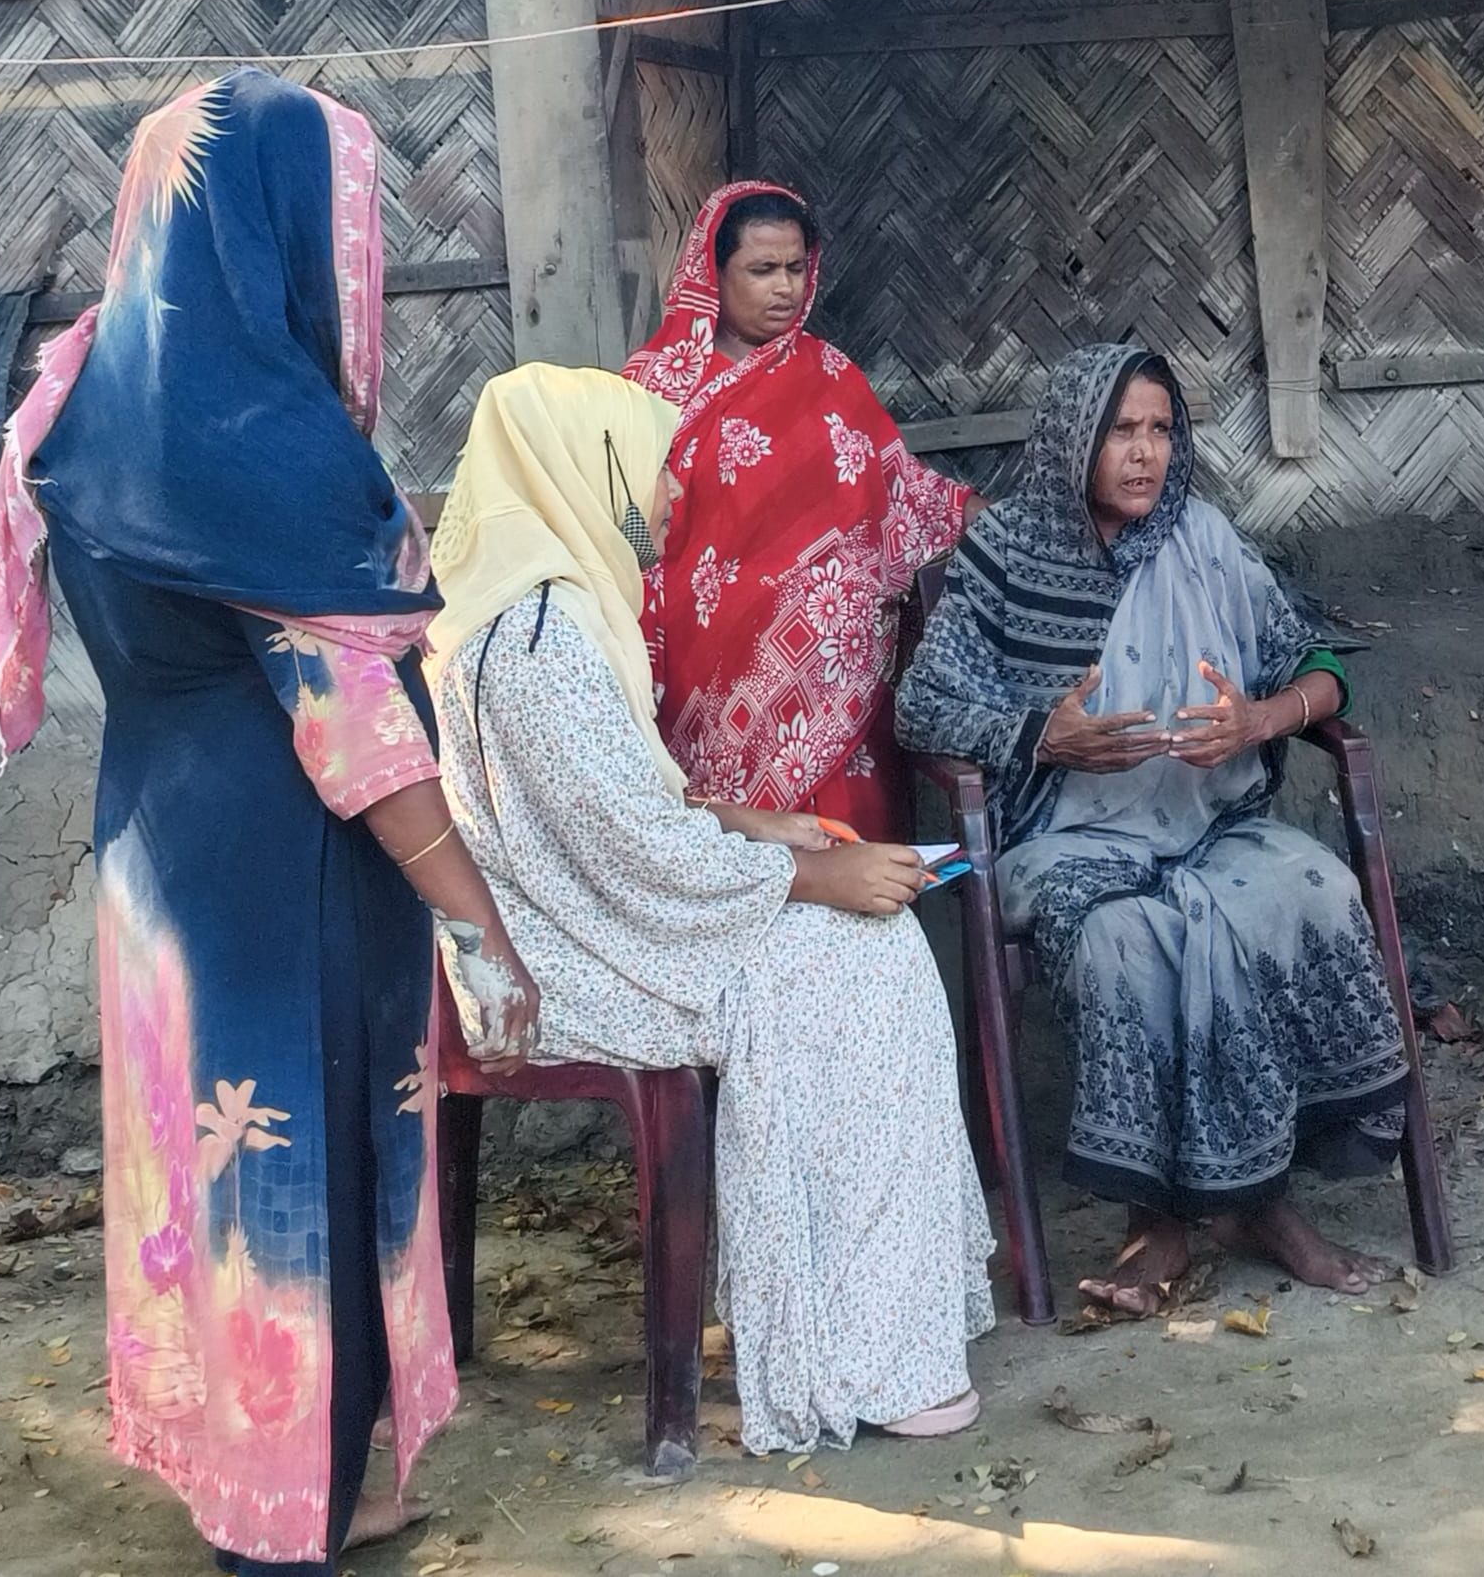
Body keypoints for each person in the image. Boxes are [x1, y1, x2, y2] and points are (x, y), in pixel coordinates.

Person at [0, 69, 541, 1577]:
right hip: (292, 870)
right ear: (280, 230)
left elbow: (28, 640)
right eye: (340, 223)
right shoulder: (259, 455)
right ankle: (291, 1521)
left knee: (205, 1173)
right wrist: (477, 918)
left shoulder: (78, 391)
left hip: (159, 854)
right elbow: (351, 730)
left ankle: (253, 1484)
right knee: (305, 1182)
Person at [423, 361, 995, 1450]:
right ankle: (859, 1353)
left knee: (868, 951)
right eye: (650, 471)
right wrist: (808, 875)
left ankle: (878, 1317)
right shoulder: (537, 639)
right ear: (585, 469)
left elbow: (628, 807)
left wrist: (754, 821)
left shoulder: (543, 606)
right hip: (579, 950)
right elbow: (627, 845)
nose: (669, 498)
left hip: (601, 915)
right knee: (855, 970)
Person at [895, 344, 1405, 1314]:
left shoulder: (1204, 537)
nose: (1144, 454)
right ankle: (1164, 1222)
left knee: (1316, 888)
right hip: (1069, 840)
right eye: (1121, 430)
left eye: (1161, 430)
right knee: (1135, 938)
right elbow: (923, 706)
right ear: (1074, 436)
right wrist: (1046, 734)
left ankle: (1261, 1200)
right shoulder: (1007, 553)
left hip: (1213, 827)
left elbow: (1321, 661)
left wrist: (1263, 717)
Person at [623, 181, 972, 846]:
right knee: (739, 861)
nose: (784, 287)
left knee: (854, 855)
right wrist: (641, 592)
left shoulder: (831, 373)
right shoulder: (650, 388)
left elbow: (903, 490)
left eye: (795, 268)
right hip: (710, 680)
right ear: (711, 271)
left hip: (836, 683)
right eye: (761, 270)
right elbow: (618, 516)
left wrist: (994, 520)